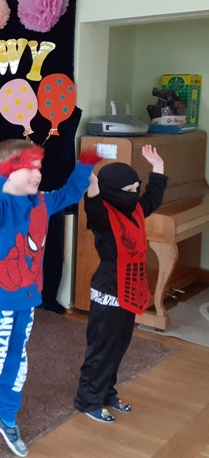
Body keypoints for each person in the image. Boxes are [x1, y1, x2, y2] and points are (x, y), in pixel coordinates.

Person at [0, 140, 100, 458]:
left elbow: (71, 193)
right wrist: (2, 173)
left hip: (27, 301)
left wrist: (85, 166)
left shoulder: (42, 201)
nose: (37, 174)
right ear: (6, 172)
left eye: (39, 168)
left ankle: (6, 418)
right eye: (28, 168)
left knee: (16, 364)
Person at [74, 145, 166, 423]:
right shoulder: (103, 216)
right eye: (129, 190)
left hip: (131, 287)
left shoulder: (136, 209)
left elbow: (153, 198)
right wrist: (92, 185)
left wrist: (157, 167)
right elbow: (93, 206)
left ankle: (106, 393)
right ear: (112, 191)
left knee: (119, 345)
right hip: (109, 287)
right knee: (102, 347)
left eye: (136, 188)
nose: (135, 194)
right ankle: (88, 401)